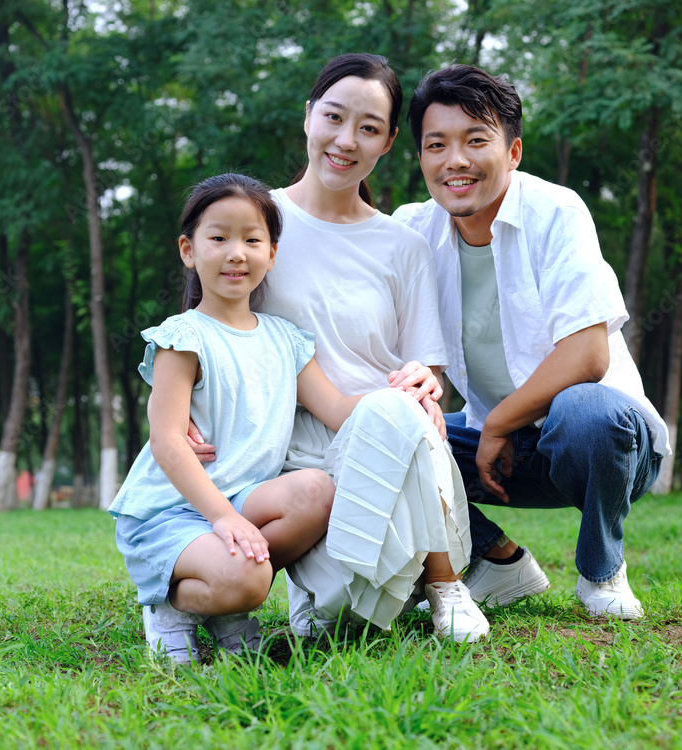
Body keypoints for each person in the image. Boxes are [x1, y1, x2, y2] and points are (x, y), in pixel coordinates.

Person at [187, 55, 490, 643]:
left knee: (390, 408)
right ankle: (322, 589)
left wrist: (425, 383)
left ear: (389, 142)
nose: (346, 140)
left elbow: (425, 368)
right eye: (334, 117)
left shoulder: (402, 246)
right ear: (308, 116)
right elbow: (208, 328)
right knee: (339, 616)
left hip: (396, 448)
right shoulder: (256, 225)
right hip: (295, 459)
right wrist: (184, 411)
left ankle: (444, 582)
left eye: (369, 128)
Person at [394, 64, 670, 620]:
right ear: (421, 157)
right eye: (437, 145)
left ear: (513, 151)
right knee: (380, 432)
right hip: (500, 452)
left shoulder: (556, 212)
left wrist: (497, 423)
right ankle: (498, 561)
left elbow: (588, 355)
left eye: (477, 140)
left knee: (585, 408)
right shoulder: (411, 230)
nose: (456, 161)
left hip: (604, 443)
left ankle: (601, 571)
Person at [111, 173, 370, 663]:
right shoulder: (181, 337)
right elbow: (168, 442)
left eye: (252, 239)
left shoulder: (285, 339)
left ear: (271, 253)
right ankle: (172, 607)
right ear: (188, 250)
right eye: (219, 238)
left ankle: (226, 605)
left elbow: (337, 408)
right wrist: (223, 518)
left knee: (317, 490)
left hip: (241, 500)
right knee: (251, 578)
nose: (236, 253)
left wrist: (403, 394)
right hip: (171, 512)